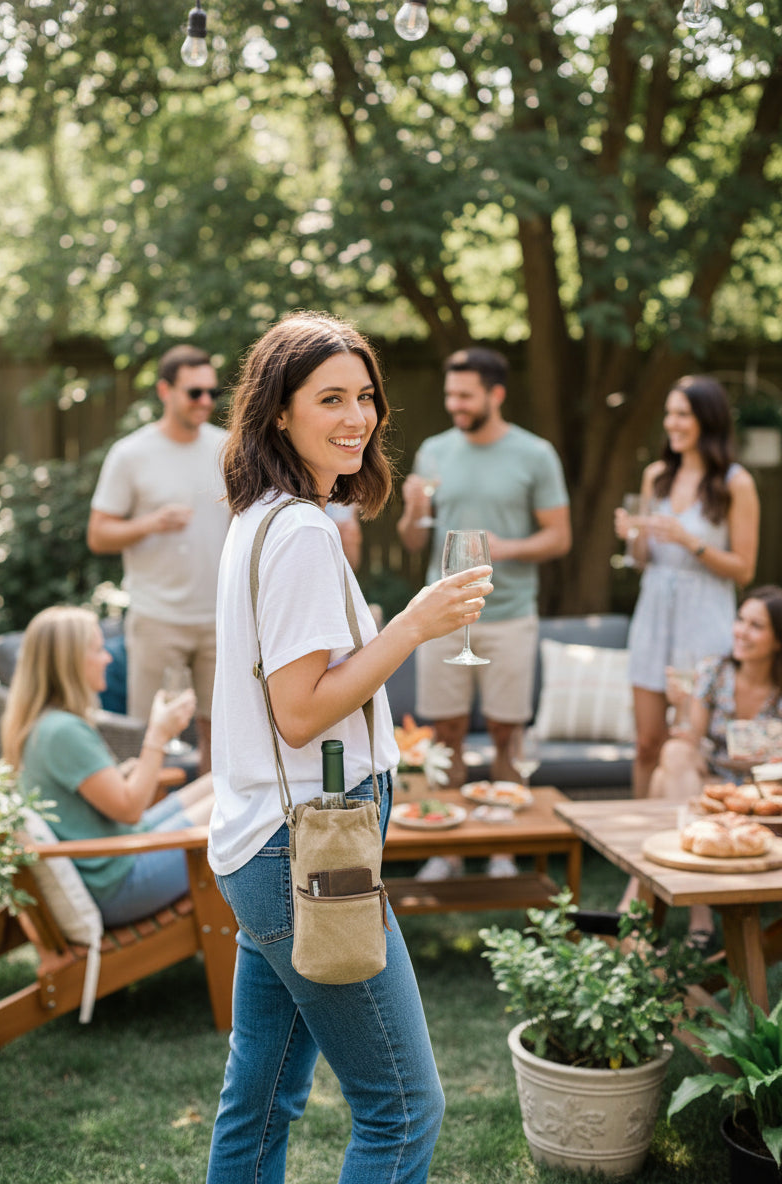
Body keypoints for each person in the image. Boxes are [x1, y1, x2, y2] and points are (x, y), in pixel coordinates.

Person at [204, 311, 493, 1184]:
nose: (357, 417)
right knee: (403, 1109)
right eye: (330, 398)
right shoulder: (299, 531)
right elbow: (298, 713)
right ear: (279, 411)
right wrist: (411, 626)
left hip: (265, 843)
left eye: (364, 396)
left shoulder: (263, 516)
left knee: (260, 1104)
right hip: (306, 854)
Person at [398, 347, 571, 790]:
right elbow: (414, 541)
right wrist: (413, 508)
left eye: (465, 396)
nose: (454, 404)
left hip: (509, 615)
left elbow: (559, 537)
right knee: (445, 735)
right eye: (450, 395)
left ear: (496, 394)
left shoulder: (535, 454)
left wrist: (504, 548)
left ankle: (506, 832)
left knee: (506, 735)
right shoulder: (434, 451)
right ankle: (448, 833)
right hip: (443, 614)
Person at [0, 605, 215, 926]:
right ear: (71, 661)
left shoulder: (45, 724)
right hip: (119, 882)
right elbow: (130, 809)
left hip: (120, 850)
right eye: (98, 650)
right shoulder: (62, 732)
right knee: (232, 802)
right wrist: (158, 734)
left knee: (222, 782)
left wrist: (118, 775)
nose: (107, 659)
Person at [87, 344, 230, 775]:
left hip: (221, 616)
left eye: (212, 392)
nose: (205, 401)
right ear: (165, 391)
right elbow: (98, 535)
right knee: (149, 735)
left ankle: (211, 816)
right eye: (194, 392)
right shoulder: (131, 454)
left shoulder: (228, 448)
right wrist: (151, 523)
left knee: (221, 732)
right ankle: (145, 815)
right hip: (157, 618)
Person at [615, 375, 760, 797]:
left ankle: (690, 829)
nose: (671, 424)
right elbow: (642, 559)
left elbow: (744, 570)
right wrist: (632, 535)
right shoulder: (656, 475)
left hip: (705, 619)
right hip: (654, 615)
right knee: (647, 744)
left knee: (690, 743)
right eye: (669, 414)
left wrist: (689, 541)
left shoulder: (736, 483)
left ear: (707, 420)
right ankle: (639, 833)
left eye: (682, 414)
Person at [617, 587, 782, 946]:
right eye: (740, 619)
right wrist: (680, 706)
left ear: (778, 640)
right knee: (675, 754)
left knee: (664, 779)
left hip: (766, 795)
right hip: (715, 785)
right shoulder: (715, 670)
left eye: (756, 626)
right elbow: (692, 738)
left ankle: (634, 908)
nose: (741, 631)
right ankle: (700, 912)